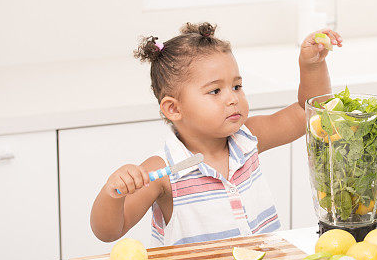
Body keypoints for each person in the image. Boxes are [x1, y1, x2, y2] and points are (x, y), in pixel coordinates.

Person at [90, 22, 342, 245]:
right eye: (215, 91)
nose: (233, 98)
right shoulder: (163, 171)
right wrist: (112, 193)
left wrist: (312, 66)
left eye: (236, 86)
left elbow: (309, 112)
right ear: (173, 109)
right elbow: (110, 231)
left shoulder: (248, 138)